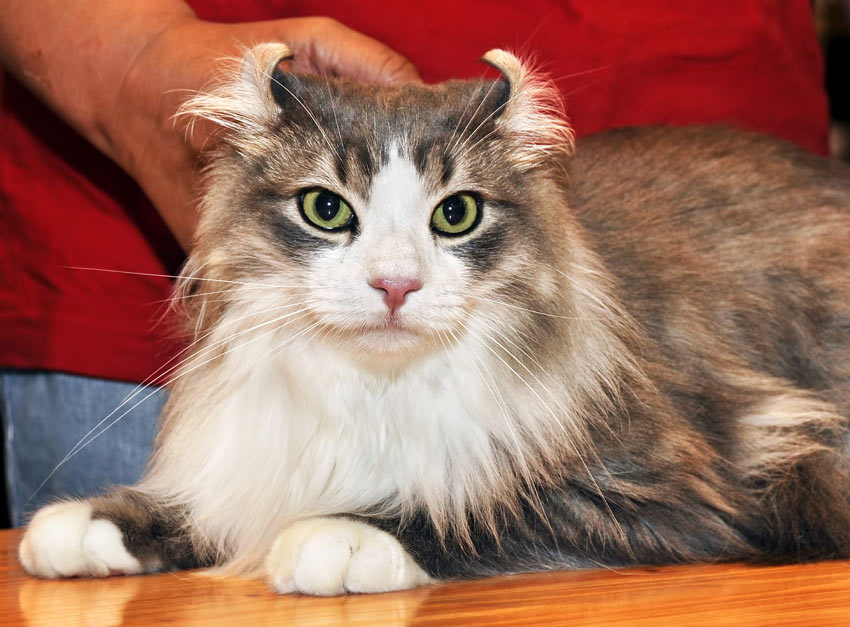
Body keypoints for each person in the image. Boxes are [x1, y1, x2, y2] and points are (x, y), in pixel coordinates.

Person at [0, 0, 829, 526]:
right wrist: (140, 59)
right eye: (330, 211)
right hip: (111, 250)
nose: (395, 275)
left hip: (736, 195)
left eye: (454, 216)